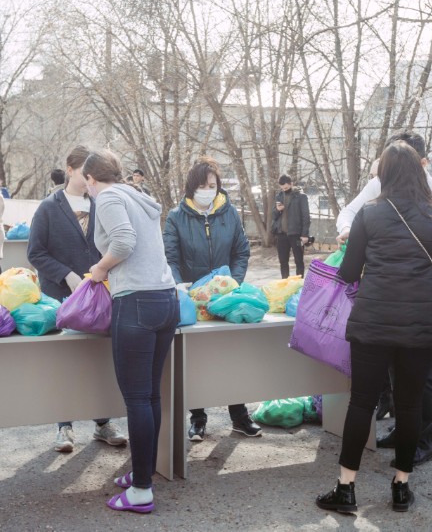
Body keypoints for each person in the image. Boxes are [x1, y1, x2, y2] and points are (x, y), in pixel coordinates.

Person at [316, 141, 432, 514]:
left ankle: (345, 488)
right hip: (422, 327)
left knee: (362, 402)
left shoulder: (369, 215)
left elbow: (349, 273)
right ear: (419, 173)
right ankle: (401, 487)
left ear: (384, 174)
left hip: (373, 323)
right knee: (409, 405)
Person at [335, 131, 432, 465]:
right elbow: (351, 212)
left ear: (423, 163)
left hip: (421, 303)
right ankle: (402, 433)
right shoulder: (378, 188)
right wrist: (348, 230)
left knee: (422, 376)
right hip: (385, 300)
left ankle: (422, 440)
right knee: (390, 371)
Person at [83, 150, 179, 514]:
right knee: (150, 396)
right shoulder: (139, 198)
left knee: (137, 398)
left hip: (136, 301)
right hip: (164, 298)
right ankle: (144, 473)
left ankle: (141, 490)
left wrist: (99, 269)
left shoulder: (108, 196)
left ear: (92, 179)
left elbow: (122, 242)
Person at [28, 146, 128, 453]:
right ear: (70, 170)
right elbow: (35, 252)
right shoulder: (49, 207)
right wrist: (66, 274)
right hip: (62, 297)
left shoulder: (103, 200)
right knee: (66, 362)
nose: (89, 178)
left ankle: (103, 422)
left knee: (99, 360)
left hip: (101, 296)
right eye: (84, 171)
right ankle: (64, 426)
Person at [163, 158, 259, 442]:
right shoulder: (176, 216)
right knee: (195, 359)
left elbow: (241, 252)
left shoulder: (229, 213)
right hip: (193, 298)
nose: (208, 190)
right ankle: (198, 417)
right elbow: (170, 258)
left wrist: (233, 283)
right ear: (192, 187)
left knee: (231, 356)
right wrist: (182, 288)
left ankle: (239, 414)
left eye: (213, 185)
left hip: (226, 297)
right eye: (203, 186)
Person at [271, 174, 311, 279]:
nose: (285, 190)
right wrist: (277, 210)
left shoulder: (301, 197)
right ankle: (285, 284)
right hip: (281, 234)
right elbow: (273, 216)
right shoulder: (279, 196)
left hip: (296, 234)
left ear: (291, 184)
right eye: (283, 188)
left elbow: (306, 216)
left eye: (287, 188)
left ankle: (299, 285)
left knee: (299, 261)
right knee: (283, 261)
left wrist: (305, 234)